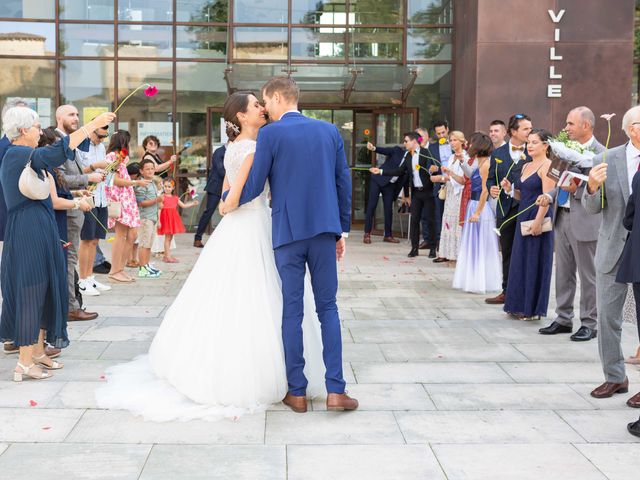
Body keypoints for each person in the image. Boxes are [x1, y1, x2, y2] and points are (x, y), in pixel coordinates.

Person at [95, 91, 325, 420]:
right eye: (256, 106)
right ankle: (260, 370)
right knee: (257, 292)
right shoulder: (254, 148)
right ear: (243, 117)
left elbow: (227, 193)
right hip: (251, 222)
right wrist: (228, 204)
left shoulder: (233, 147)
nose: (262, 109)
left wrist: (224, 205)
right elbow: (244, 192)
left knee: (229, 291)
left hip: (236, 225)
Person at [229, 77, 356, 413]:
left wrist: (228, 199)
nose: (265, 109)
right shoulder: (329, 131)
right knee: (328, 308)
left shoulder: (271, 134)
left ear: (275, 97)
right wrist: (341, 231)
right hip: (325, 231)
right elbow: (344, 182)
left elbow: (255, 186)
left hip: (287, 233)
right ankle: (336, 391)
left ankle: (296, 392)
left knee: (292, 309)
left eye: (265, 102)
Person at [0, 107, 115, 381]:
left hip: (40, 226)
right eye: (37, 127)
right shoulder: (17, 154)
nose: (41, 131)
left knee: (45, 289)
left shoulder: (27, 157)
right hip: (28, 230)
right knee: (32, 290)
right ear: (23, 130)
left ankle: (38, 352)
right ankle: (24, 362)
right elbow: (57, 151)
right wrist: (92, 125)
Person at [582, 105, 640, 411]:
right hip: (612, 247)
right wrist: (591, 186)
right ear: (632, 129)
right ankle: (615, 376)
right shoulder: (605, 159)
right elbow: (591, 207)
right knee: (607, 317)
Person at [537, 107, 604, 341]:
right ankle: (563, 318)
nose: (566, 129)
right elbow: (560, 181)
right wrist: (551, 196)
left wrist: (578, 190)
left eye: (570, 124)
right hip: (562, 217)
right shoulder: (564, 151)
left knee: (589, 276)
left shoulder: (602, 153)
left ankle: (590, 322)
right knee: (563, 272)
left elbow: (603, 191)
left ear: (586, 126)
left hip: (586, 220)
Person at [56, 105, 105, 321]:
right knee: (69, 259)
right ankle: (70, 307)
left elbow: (66, 180)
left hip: (74, 206)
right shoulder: (58, 142)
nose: (75, 118)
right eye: (71, 114)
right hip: (67, 212)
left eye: (77, 114)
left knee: (70, 259)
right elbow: (60, 179)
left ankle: (72, 304)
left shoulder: (70, 141)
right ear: (59, 117)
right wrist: (88, 178)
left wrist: (79, 190)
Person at [501, 129, 555, 320]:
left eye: (534, 142)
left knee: (533, 262)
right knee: (520, 262)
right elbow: (522, 196)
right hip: (522, 218)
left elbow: (546, 198)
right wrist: (509, 190)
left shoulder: (548, 166)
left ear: (545, 146)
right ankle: (517, 304)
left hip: (537, 218)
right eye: (528, 142)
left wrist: (538, 222)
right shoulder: (525, 166)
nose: (529, 146)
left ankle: (531, 309)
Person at [485, 113, 533, 304]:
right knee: (507, 251)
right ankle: (506, 291)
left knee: (526, 251)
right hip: (505, 208)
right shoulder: (498, 153)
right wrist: (492, 188)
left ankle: (525, 292)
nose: (530, 132)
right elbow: (490, 178)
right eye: (526, 129)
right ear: (514, 131)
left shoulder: (533, 151)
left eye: (531, 128)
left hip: (526, 207)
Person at [370, 132, 437, 258]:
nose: (404, 143)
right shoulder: (407, 156)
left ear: (414, 142)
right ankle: (414, 248)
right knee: (415, 221)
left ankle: (433, 248)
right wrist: (380, 171)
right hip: (416, 193)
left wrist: (434, 169)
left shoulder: (426, 152)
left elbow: (434, 167)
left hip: (428, 192)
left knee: (429, 220)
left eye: (406, 141)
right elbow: (399, 171)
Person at [453, 132, 501, 293]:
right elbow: (469, 175)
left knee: (480, 245)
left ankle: (481, 280)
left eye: (472, 143)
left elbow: (485, 191)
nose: (469, 145)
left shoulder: (486, 164)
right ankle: (473, 278)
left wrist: (478, 213)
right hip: (472, 205)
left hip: (480, 207)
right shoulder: (478, 162)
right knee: (472, 245)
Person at [105, 131, 148, 283]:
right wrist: (136, 183)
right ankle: (115, 270)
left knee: (130, 235)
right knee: (120, 235)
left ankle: (120, 269)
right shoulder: (111, 157)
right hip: (120, 199)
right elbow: (114, 181)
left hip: (127, 199)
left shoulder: (120, 159)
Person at [77, 123, 111, 297]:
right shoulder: (81, 146)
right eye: (99, 136)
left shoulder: (101, 146)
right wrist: (94, 166)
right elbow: (77, 171)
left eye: (105, 137)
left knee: (95, 240)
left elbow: (102, 169)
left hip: (101, 196)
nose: (101, 139)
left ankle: (89, 276)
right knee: (86, 239)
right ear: (91, 131)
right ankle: (82, 279)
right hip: (88, 196)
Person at [432, 130, 467, 263]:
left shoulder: (465, 156)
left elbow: (463, 179)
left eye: (455, 140)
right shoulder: (452, 157)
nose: (452, 143)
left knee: (457, 222)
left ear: (461, 141)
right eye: (450, 140)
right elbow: (449, 175)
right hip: (451, 192)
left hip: (460, 194)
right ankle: (445, 252)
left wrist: (445, 175)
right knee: (447, 221)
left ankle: (457, 253)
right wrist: (440, 177)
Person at [362, 140, 406, 244]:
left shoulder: (412, 158)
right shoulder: (397, 150)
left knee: (388, 209)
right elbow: (385, 151)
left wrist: (406, 194)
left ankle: (388, 235)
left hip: (390, 184)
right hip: (378, 179)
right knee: (372, 206)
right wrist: (374, 148)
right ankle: (367, 234)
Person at [425, 120, 452, 257]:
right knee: (439, 217)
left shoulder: (456, 143)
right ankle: (438, 248)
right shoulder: (432, 148)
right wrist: (431, 169)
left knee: (453, 217)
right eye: (438, 133)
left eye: (443, 132)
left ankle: (452, 249)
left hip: (455, 185)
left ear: (447, 130)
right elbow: (428, 168)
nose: (441, 135)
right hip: (440, 185)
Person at [157, 177, 198, 263]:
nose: (167, 188)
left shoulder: (175, 198)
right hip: (166, 219)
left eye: (169, 186)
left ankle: (166, 255)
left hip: (172, 219)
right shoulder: (162, 197)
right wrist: (159, 221)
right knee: (167, 238)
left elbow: (183, 205)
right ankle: (167, 256)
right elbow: (159, 209)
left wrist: (192, 204)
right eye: (165, 186)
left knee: (170, 237)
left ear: (173, 188)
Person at [193, 143, 226, 248]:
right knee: (209, 212)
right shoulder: (219, 152)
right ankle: (197, 238)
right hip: (215, 187)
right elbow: (221, 170)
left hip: (230, 187)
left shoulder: (235, 151)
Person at [134, 159, 163, 278]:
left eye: (152, 168)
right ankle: (142, 268)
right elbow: (141, 202)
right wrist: (157, 200)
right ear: (141, 171)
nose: (150, 171)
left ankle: (146, 265)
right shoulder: (142, 183)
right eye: (147, 169)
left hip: (153, 217)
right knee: (144, 244)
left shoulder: (152, 182)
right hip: (145, 218)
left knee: (149, 244)